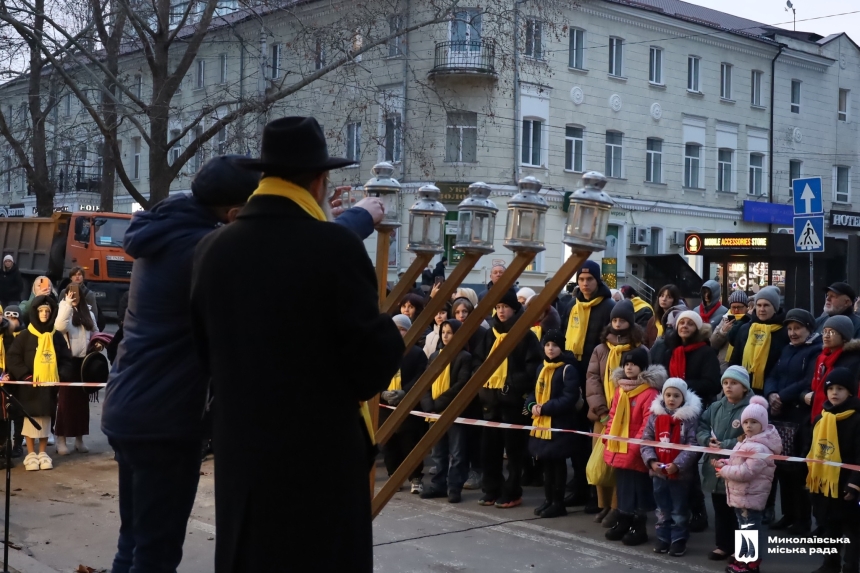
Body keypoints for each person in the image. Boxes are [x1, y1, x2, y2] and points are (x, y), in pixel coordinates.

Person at [190, 119, 403, 573]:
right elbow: (369, 368)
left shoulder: (212, 249)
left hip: (242, 459)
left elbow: (205, 352)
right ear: (319, 181)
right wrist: (390, 333)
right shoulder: (334, 247)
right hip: (318, 467)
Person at [473, 288, 542, 509]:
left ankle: (512, 491)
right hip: (490, 401)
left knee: (514, 452)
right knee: (488, 450)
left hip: (512, 402)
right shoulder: (489, 334)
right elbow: (478, 362)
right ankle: (491, 489)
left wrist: (510, 385)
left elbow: (533, 368)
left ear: (515, 308)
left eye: (505, 307)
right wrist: (485, 388)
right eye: (498, 307)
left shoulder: (525, 335)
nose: (501, 311)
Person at [585, 299, 646, 527]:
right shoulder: (600, 350)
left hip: (628, 417)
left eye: (622, 320)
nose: (618, 324)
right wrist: (601, 410)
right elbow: (592, 380)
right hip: (603, 416)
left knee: (621, 465)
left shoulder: (638, 350)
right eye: (614, 320)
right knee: (601, 462)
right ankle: (602, 504)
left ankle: (616, 507)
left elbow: (644, 380)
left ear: (630, 323)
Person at [561, 260, 615, 511]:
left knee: (596, 437)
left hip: (597, 378)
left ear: (597, 280)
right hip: (573, 373)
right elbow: (564, 337)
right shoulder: (572, 305)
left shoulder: (607, 307)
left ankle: (598, 492)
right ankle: (579, 485)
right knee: (577, 436)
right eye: (581, 280)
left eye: (589, 280)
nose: (584, 284)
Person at [762, 309, 820, 534]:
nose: (793, 333)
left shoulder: (814, 351)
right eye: (790, 329)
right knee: (782, 468)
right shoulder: (786, 349)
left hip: (799, 416)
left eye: (798, 328)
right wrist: (771, 394)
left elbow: (807, 381)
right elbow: (773, 375)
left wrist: (782, 396)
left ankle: (802, 519)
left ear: (809, 329)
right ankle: (788, 514)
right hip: (780, 415)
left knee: (798, 469)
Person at [603, 348, 665, 546]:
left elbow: (648, 423)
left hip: (636, 450)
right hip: (618, 445)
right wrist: (607, 437)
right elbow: (612, 415)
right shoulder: (620, 389)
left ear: (643, 367)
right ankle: (624, 519)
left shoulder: (649, 392)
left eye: (633, 364)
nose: (629, 367)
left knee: (639, 488)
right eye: (626, 364)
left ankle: (639, 525)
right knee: (623, 487)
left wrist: (634, 447)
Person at [6, 296, 74, 471]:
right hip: (29, 387)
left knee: (45, 419)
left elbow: (67, 359)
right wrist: (25, 375)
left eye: (47, 311)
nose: (44, 314)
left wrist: (61, 375)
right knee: (30, 420)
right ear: (35, 313)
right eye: (41, 311)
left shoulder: (56, 337)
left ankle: (43, 453)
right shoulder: (25, 336)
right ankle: (30, 453)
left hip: (49, 387)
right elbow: (13, 357)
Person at [716, 396, 781, 573]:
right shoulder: (746, 441)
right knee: (744, 527)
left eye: (754, 422)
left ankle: (751, 563)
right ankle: (743, 556)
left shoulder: (760, 447)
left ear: (763, 424)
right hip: (742, 495)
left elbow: (746, 471)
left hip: (750, 495)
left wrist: (724, 472)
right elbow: (736, 462)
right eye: (746, 422)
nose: (749, 426)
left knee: (751, 528)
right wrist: (725, 463)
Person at [805, 367, 860, 573]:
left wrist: (854, 483)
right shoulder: (822, 418)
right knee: (830, 526)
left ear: (851, 392)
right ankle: (830, 564)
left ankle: (851, 566)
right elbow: (813, 449)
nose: (834, 393)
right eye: (831, 389)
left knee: (853, 530)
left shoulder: (856, 419)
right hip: (825, 485)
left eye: (840, 389)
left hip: (847, 485)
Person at [641, 378, 703, 558]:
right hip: (658, 473)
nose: (671, 399)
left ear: (683, 398)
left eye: (676, 396)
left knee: (679, 508)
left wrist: (677, 465)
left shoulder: (689, 419)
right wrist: (652, 462)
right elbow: (646, 442)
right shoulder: (655, 416)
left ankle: (678, 539)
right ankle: (663, 537)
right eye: (668, 395)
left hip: (680, 475)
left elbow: (693, 445)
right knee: (662, 507)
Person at [697, 365, 753, 562]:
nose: (729, 387)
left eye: (734, 383)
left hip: (740, 469)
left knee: (742, 513)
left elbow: (750, 436)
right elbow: (702, 426)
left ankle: (745, 553)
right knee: (721, 510)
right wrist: (706, 440)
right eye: (726, 383)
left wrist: (726, 445)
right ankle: (724, 545)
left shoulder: (751, 409)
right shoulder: (716, 407)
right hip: (716, 469)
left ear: (745, 387)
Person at [419, 319, 476, 504]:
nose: (445, 335)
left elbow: (461, 384)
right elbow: (426, 382)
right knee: (438, 452)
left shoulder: (464, 357)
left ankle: (454, 487)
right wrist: (428, 405)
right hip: (434, 413)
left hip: (454, 412)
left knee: (457, 453)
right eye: (443, 332)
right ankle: (438, 486)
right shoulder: (435, 356)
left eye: (450, 332)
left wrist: (437, 404)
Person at [527, 329, 581, 518]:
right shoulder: (541, 368)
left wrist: (546, 408)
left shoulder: (568, 369)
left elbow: (569, 397)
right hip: (542, 424)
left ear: (561, 348)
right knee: (546, 464)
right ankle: (548, 499)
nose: (550, 349)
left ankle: (558, 502)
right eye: (548, 345)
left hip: (559, 423)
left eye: (555, 345)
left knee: (558, 465)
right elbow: (534, 391)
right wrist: (532, 405)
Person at [381, 315, 428, 494]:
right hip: (385, 408)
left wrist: (405, 392)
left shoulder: (416, 353)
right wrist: (382, 392)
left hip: (409, 408)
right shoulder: (382, 352)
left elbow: (420, 376)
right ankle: (394, 476)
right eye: (395, 328)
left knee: (410, 443)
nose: (399, 332)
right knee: (389, 444)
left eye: (402, 329)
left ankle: (415, 477)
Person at [54, 285, 98, 455]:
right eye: (70, 292)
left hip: (84, 363)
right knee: (65, 403)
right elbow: (59, 327)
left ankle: (79, 439)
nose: (74, 295)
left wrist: (97, 342)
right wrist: (67, 304)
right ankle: (61, 439)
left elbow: (95, 332)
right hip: (68, 362)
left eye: (77, 293)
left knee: (81, 404)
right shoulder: (63, 310)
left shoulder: (89, 312)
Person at [730, 286, 789, 396]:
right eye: (759, 305)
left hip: (771, 391)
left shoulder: (784, 332)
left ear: (775, 308)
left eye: (766, 305)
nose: (762, 309)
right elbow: (735, 359)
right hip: (744, 389)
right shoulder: (745, 329)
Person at [803, 314, 860, 425]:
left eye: (832, 332)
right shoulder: (822, 358)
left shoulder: (853, 361)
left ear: (844, 337)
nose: (826, 336)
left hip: (842, 418)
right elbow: (812, 383)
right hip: (819, 414)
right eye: (824, 331)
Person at [710, 291, 751, 373]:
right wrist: (722, 332)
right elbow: (713, 344)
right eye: (733, 307)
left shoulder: (750, 320)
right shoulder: (725, 319)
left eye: (739, 307)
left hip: (742, 365)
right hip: (724, 365)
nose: (736, 310)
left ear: (746, 307)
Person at [645, 284, 687, 348]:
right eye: (661, 296)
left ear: (675, 300)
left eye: (669, 297)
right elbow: (646, 342)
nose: (664, 299)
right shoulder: (653, 320)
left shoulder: (680, 319)